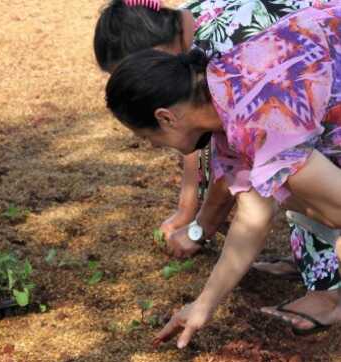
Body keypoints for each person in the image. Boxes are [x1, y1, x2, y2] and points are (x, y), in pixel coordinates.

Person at [104, 2, 341, 349]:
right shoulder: (223, 100)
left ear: (166, 117)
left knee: (308, 197)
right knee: (300, 198)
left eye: (146, 137)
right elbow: (252, 218)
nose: (153, 146)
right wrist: (204, 305)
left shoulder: (254, 117)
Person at [94, 0, 326, 261]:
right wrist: (188, 210)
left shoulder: (222, 52)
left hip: (323, 90)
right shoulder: (187, 25)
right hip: (314, 92)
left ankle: (327, 288)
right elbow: (201, 136)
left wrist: (200, 226)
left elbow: (235, 156)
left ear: (156, 52)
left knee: (299, 178)